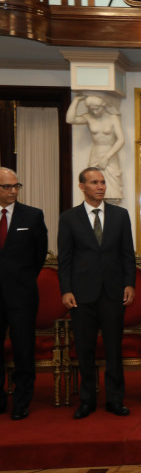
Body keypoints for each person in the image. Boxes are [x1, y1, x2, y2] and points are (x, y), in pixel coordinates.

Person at [58, 167, 136, 419]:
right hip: (81, 294)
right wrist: (66, 290)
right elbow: (65, 259)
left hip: (113, 292)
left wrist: (130, 283)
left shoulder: (120, 215)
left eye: (102, 182)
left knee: (114, 348)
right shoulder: (69, 218)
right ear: (82, 186)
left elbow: (127, 253)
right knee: (85, 349)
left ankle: (115, 399)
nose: (101, 186)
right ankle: (87, 400)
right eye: (94, 182)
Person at [0, 168, 47, 421]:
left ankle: (22, 400)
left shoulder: (32, 215)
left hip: (21, 295)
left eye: (16, 186)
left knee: (23, 349)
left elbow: (39, 255)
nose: (13, 191)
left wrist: (23, 279)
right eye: (7, 187)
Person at [66, 94, 125, 200]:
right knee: (92, 183)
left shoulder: (113, 118)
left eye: (97, 109)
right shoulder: (89, 117)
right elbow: (70, 120)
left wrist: (106, 158)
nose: (95, 112)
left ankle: (110, 207)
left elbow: (121, 140)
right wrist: (76, 100)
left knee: (113, 190)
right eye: (92, 109)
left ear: (103, 105)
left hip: (110, 153)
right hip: (96, 153)